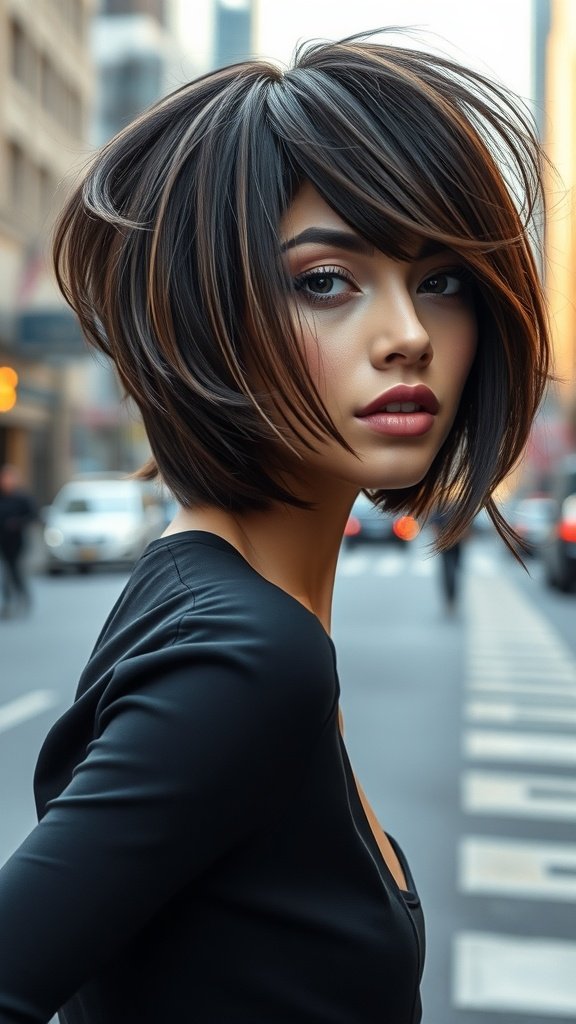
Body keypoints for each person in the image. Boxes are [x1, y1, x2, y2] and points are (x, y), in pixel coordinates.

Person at [0, 29, 550, 1024]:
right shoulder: (252, 656)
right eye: (326, 281)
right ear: (213, 315)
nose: (410, 335)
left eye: (440, 280)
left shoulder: (198, 587)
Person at [0, 463, 37, 618]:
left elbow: (33, 516)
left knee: (15, 571)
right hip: (3, 541)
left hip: (17, 541)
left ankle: (22, 597)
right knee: (6, 572)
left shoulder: (22, 498)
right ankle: (9, 601)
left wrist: (18, 523)